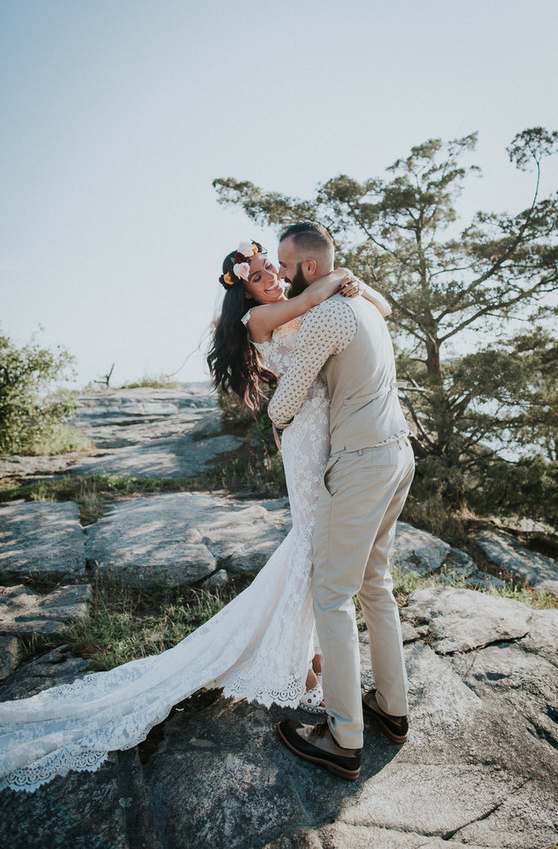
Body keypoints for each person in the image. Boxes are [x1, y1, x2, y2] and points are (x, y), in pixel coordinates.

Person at [0, 239, 390, 793]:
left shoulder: (293, 297)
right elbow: (309, 307)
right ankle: (302, 662)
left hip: (325, 428)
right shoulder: (262, 317)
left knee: (315, 547)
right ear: (246, 292)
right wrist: (339, 277)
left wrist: (346, 283)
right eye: (259, 276)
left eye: (270, 270)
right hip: (306, 432)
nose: (271, 279)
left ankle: (307, 657)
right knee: (312, 542)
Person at [269, 222, 414, 782]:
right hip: (398, 454)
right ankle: (393, 709)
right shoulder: (366, 307)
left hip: (358, 464)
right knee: (375, 584)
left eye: (284, 264)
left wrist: (277, 421)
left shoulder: (329, 313)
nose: (280, 275)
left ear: (309, 268)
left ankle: (342, 734)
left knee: (332, 594)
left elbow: (290, 392)